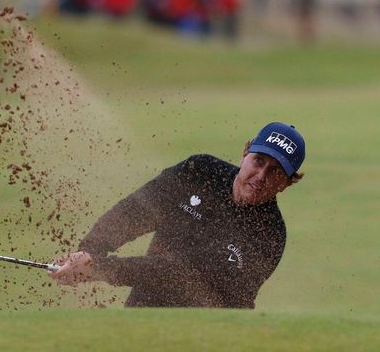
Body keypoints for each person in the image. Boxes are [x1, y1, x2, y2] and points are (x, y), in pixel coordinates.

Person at [50, 122, 306, 308]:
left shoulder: (267, 235)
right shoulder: (200, 172)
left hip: (212, 335)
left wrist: (99, 269)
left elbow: (180, 271)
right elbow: (135, 211)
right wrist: (90, 251)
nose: (261, 176)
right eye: (259, 161)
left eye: (275, 172)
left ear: (286, 183)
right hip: (144, 312)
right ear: (245, 155)